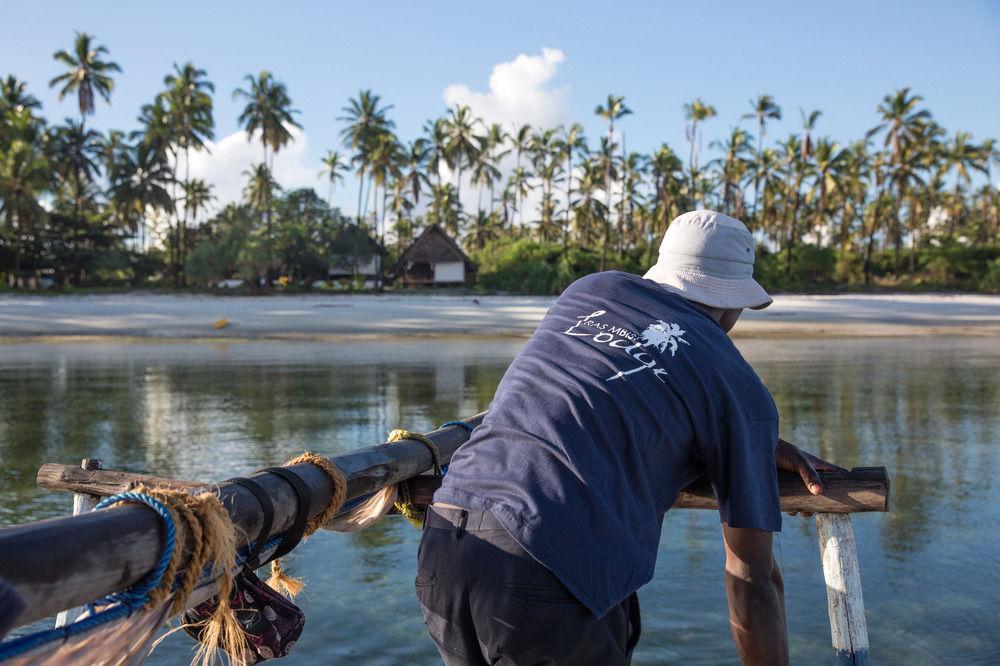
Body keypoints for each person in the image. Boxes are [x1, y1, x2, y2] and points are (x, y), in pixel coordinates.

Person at [415, 210, 841, 665]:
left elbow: (595, 396)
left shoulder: (590, 290)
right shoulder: (734, 383)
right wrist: (747, 437)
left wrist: (754, 445)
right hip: (545, 567)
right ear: (734, 301)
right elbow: (751, 576)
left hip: (446, 540)